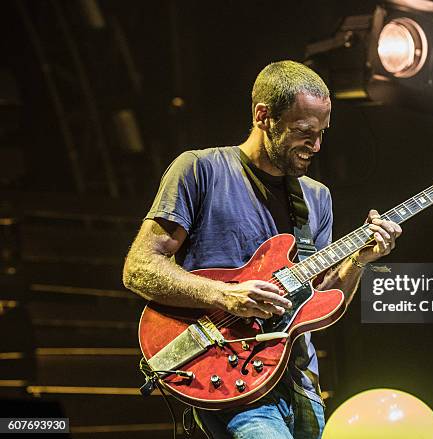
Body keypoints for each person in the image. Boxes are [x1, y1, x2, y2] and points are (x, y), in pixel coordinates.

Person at [122, 60, 402, 439]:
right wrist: (226, 295)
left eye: (321, 133)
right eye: (304, 132)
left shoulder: (317, 198)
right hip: (228, 372)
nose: (315, 146)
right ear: (263, 116)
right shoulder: (200, 170)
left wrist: (358, 259)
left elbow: (319, 301)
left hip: (301, 383)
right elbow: (138, 267)